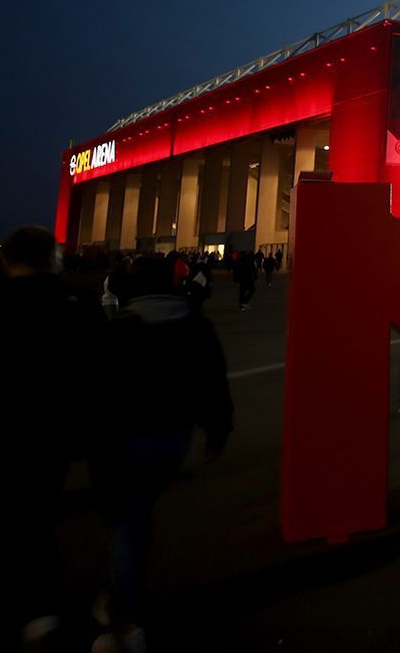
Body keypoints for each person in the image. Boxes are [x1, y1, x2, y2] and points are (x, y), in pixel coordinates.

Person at [91, 255, 233, 652]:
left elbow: (95, 396)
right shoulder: (196, 326)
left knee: (126, 525)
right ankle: (114, 595)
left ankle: (127, 621)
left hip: (125, 441)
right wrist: (218, 431)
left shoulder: (120, 329)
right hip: (174, 440)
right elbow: (214, 383)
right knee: (137, 519)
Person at [0, 227, 101, 650]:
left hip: (3, 434)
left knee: (18, 523)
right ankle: (43, 611)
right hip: (56, 434)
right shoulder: (79, 302)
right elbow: (99, 372)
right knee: (34, 517)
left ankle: (37, 612)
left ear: (6, 260)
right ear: (52, 258)